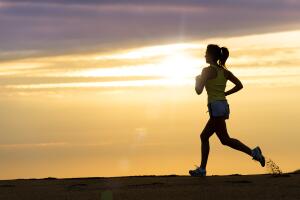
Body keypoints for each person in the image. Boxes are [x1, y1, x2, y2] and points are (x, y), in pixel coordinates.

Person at [189, 44, 265, 177]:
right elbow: (239, 85)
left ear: (211, 55)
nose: (204, 55)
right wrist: (225, 94)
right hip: (223, 106)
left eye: (206, 53)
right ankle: (253, 153)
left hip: (215, 107)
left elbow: (198, 91)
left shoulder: (207, 71)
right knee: (220, 139)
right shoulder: (224, 71)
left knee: (216, 138)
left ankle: (202, 169)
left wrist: (197, 80)